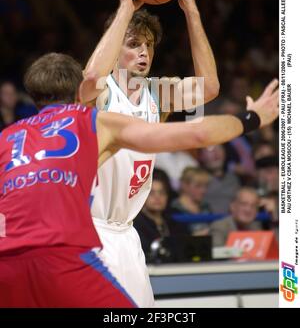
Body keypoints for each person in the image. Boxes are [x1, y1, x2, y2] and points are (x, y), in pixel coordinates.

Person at [0, 52, 278, 307]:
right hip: (60, 257)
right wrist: (252, 118)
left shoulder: (6, 137)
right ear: (81, 91)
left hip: (6, 265)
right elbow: (197, 134)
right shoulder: (94, 120)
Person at [80, 0, 220, 307]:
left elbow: (209, 88)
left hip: (127, 234)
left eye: (149, 45)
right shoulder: (99, 93)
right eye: (133, 45)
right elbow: (92, 76)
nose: (144, 53)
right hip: (88, 230)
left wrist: (191, 11)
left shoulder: (158, 93)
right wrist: (126, 7)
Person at [134, 169, 187, 264]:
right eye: (151, 193)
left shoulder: (173, 223)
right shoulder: (135, 225)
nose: (157, 197)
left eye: (162, 192)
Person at [171, 167, 212, 236]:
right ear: (184, 185)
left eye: (206, 186)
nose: (203, 190)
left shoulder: (206, 206)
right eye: (198, 186)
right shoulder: (173, 208)